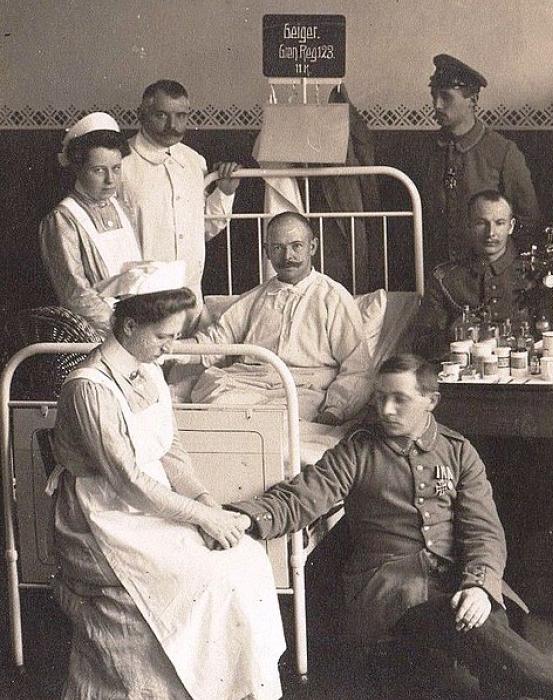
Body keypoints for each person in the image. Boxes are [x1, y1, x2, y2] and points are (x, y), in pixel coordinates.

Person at [226, 354, 553, 700]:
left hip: (455, 581)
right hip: (390, 591)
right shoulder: (358, 451)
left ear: (431, 401)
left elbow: (484, 530)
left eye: (400, 399)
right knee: (472, 631)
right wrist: (247, 516)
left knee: (490, 627)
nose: (386, 409)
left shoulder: (458, 451)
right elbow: (304, 495)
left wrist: (480, 585)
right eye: (380, 398)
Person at [48, 261, 284, 699]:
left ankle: (234, 689)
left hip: (146, 507)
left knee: (246, 560)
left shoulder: (149, 371)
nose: (171, 348)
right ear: (131, 325)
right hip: (100, 517)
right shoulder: (89, 388)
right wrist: (199, 518)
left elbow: (170, 452)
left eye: (175, 336)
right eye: (164, 337)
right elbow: (129, 481)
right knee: (205, 578)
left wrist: (208, 503)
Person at [183, 211, 372, 424]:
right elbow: (214, 342)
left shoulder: (333, 297)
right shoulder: (254, 298)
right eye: (277, 248)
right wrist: (171, 349)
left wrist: (335, 411)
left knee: (284, 425)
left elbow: (358, 367)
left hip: (304, 389)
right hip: (247, 383)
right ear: (267, 252)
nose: (287, 256)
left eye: (296, 246)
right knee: (216, 406)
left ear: (312, 247)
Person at [121, 79, 241, 309]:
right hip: (140, 296)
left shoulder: (194, 162)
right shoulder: (121, 163)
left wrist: (224, 193)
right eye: (161, 115)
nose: (172, 125)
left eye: (181, 116)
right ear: (141, 114)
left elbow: (205, 229)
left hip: (190, 293)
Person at [424, 54, 540, 269]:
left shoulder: (503, 152)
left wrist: (502, 271)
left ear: (473, 101)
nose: (437, 105)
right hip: (437, 274)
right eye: (433, 96)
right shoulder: (427, 151)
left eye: (446, 97)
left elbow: (527, 220)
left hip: (488, 275)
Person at [40, 112, 143, 334]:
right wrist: (123, 328)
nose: (110, 180)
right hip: (96, 333)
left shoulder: (122, 207)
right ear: (77, 169)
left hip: (136, 326)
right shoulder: (63, 219)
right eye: (98, 170)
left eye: (116, 168)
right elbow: (75, 294)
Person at [412, 190, 528, 359]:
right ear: (468, 225)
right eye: (481, 223)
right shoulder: (444, 278)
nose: (491, 233)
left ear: (511, 226)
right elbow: (420, 346)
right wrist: (451, 335)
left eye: (500, 223)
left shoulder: (533, 275)